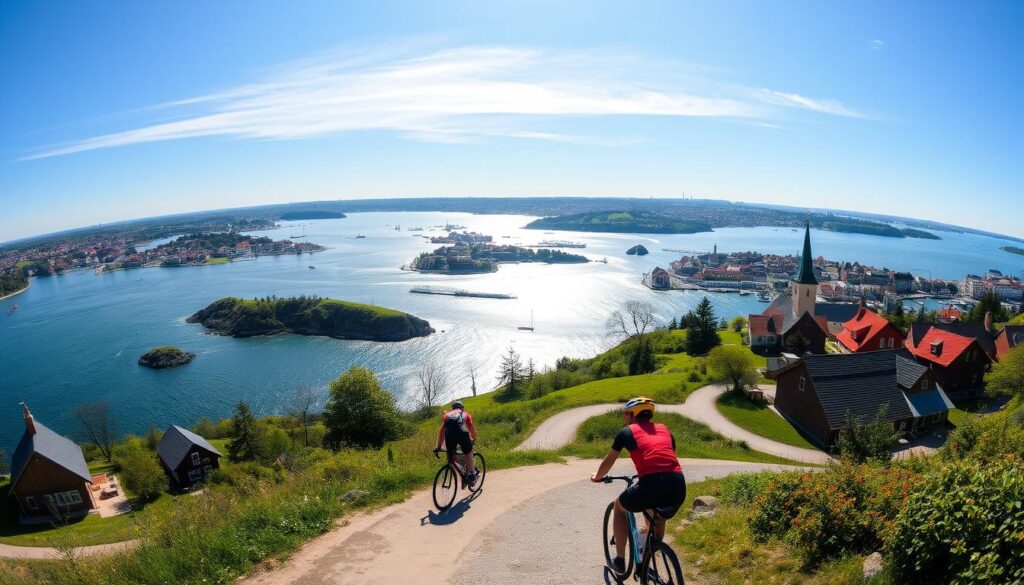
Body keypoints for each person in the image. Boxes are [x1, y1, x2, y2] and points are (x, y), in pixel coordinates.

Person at [590, 397, 686, 574]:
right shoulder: (665, 430)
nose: (625, 417)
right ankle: (645, 562)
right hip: (677, 485)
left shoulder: (627, 432)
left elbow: (609, 460)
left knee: (619, 507)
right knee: (656, 518)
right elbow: (667, 456)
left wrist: (597, 476)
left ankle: (619, 560)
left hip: (650, 484)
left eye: (626, 413)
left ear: (633, 414)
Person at [435, 400, 478, 485]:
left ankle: (459, 469)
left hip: (449, 436)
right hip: (462, 434)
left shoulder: (447, 416)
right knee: (468, 452)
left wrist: (438, 447)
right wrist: (473, 439)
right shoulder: (466, 414)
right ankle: (471, 474)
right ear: (462, 408)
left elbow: (441, 432)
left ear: (452, 409)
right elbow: (472, 430)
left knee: (451, 456)